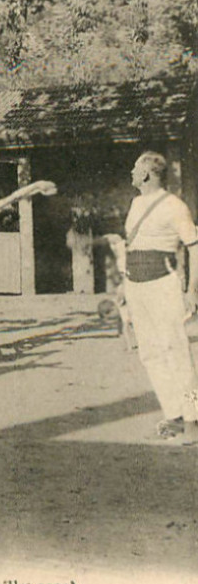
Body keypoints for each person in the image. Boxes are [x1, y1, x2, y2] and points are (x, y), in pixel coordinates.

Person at [124, 151, 198, 440]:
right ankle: (174, 415)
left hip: (163, 285)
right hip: (136, 286)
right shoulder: (135, 203)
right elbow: (133, 246)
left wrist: (193, 289)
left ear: (146, 174)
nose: (131, 173)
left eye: (134, 168)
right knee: (150, 353)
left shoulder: (174, 206)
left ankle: (194, 419)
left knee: (177, 353)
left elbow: (195, 247)